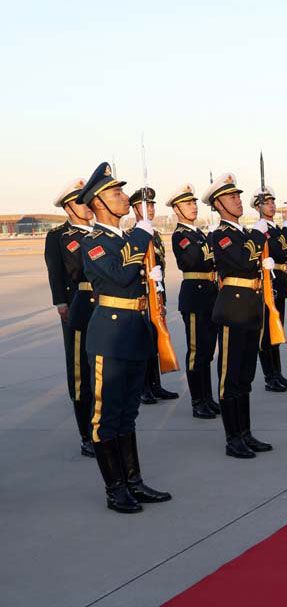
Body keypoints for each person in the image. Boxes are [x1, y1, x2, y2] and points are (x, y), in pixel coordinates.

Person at [79, 161, 171, 513]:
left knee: (128, 413)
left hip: (134, 330)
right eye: (116, 193)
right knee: (106, 416)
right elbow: (118, 277)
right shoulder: (94, 243)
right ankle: (114, 488)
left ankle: (134, 481)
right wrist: (142, 235)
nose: (123, 198)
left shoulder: (124, 237)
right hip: (110, 335)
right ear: (99, 202)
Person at [204, 173, 274, 459]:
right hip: (233, 309)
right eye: (232, 197)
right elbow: (244, 262)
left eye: (238, 196)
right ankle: (233, 438)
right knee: (230, 378)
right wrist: (259, 234)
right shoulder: (220, 235)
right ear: (219, 204)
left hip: (251, 307)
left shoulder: (243, 234)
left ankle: (245, 433)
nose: (238, 200)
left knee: (245, 377)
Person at [168, 184, 220, 420]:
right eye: (188, 204)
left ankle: (208, 398)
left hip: (210, 294)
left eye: (194, 203)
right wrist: (211, 247)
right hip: (195, 296)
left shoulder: (199, 234)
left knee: (208, 352)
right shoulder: (181, 235)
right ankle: (197, 401)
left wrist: (209, 244)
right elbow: (194, 260)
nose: (193, 207)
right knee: (197, 352)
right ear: (176, 209)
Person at [53, 178, 96, 457]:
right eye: (81, 201)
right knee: (81, 372)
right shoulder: (61, 236)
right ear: (70, 207)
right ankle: (86, 435)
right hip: (77, 307)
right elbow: (56, 272)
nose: (88, 205)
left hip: (104, 307)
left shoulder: (99, 233)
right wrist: (61, 303)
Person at [128, 188, 180, 405]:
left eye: (152, 205)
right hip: (141, 296)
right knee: (143, 343)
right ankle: (143, 387)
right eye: (145, 205)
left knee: (156, 339)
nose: (150, 208)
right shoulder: (131, 235)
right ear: (135, 209)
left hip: (156, 294)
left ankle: (156, 385)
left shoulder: (155, 235)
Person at [252, 187, 287, 392]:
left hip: (279, 281)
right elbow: (279, 250)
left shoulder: (276, 229)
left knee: (276, 331)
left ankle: (278, 373)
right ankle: (269, 376)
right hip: (267, 285)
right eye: (266, 202)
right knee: (266, 334)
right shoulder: (260, 229)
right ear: (257, 207)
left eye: (272, 202)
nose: (271, 205)